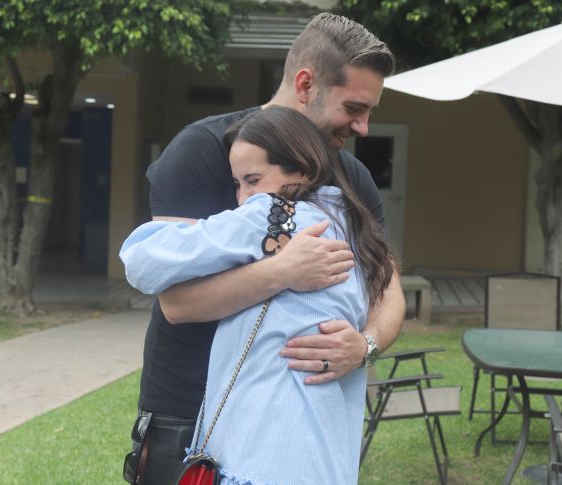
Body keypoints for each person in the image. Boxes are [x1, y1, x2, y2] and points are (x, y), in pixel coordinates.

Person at [123, 12, 406, 484]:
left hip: (302, 428)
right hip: (191, 414)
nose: (363, 128)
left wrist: (366, 345)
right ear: (305, 84)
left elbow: (387, 284)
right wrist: (284, 270)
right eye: (354, 108)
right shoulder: (203, 148)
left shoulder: (350, 178)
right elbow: (176, 302)